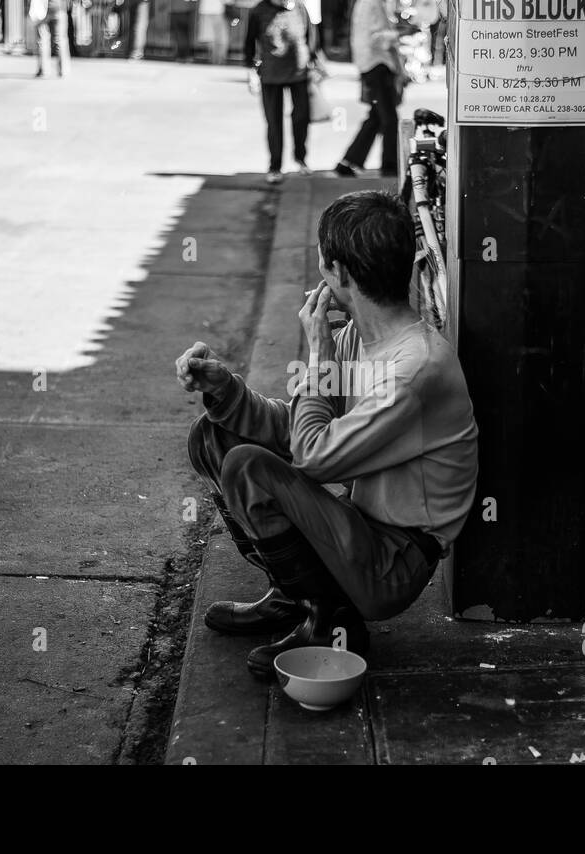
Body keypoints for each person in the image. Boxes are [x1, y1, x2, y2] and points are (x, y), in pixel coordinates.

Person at [177, 190, 478, 679]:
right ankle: (293, 596)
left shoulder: (414, 369)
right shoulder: (358, 336)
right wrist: (226, 392)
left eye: (321, 262)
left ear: (339, 273)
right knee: (213, 437)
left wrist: (316, 355)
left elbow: (312, 456)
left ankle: (330, 619)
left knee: (247, 468)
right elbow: (299, 432)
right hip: (356, 528)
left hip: (392, 561)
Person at [243, 0, 316, 184]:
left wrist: (314, 61)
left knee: (301, 117)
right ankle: (275, 166)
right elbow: (249, 43)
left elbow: (311, 36)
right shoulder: (259, 10)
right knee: (273, 121)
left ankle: (301, 158)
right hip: (270, 73)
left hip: (299, 71)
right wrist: (250, 71)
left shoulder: (299, 7)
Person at [334, 0, 402, 178]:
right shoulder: (372, 3)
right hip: (377, 63)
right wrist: (398, 34)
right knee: (389, 118)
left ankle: (350, 161)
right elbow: (376, 37)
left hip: (371, 63)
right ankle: (390, 165)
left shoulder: (366, 2)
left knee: (377, 117)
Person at [30, 0, 68, 77]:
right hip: (57, 8)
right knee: (59, 40)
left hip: (41, 9)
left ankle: (43, 70)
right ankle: (63, 69)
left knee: (42, 41)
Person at [195, 0, 226, 65]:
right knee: (220, 37)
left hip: (205, 10)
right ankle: (218, 59)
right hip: (218, 10)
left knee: (209, 37)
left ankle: (212, 58)